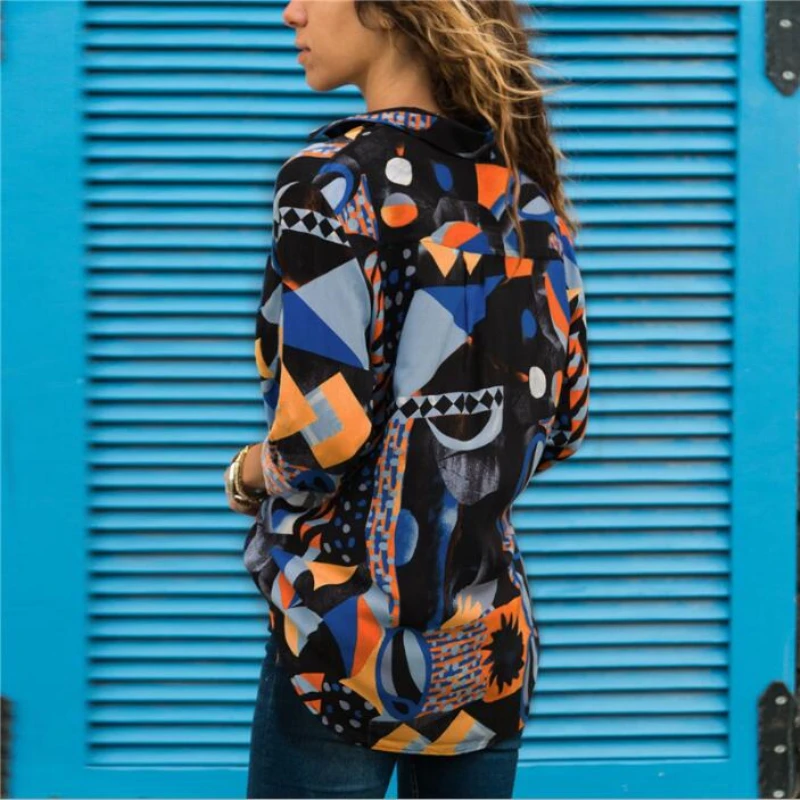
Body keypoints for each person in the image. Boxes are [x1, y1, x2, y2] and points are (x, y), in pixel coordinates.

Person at [222, 1, 590, 797]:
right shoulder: (525, 200)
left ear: (390, 11)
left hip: (346, 644)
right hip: (485, 643)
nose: (291, 12)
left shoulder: (331, 183)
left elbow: (322, 439)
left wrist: (248, 473)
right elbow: (563, 423)